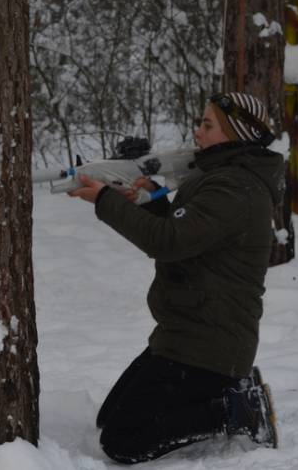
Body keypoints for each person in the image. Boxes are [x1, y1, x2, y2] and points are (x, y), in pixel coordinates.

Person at [68, 92, 284, 464]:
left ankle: (236, 409)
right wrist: (151, 200)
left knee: (122, 441)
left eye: (207, 124)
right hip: (186, 331)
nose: (197, 130)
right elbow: (190, 233)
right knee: (108, 419)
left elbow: (167, 241)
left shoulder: (234, 188)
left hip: (209, 344)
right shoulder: (223, 176)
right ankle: (231, 386)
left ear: (236, 132)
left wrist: (106, 200)